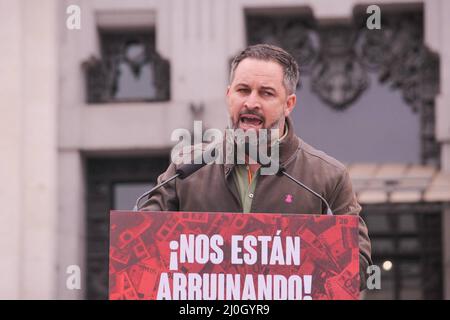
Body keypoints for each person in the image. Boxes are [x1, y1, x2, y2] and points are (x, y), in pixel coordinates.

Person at [141, 44, 372, 290]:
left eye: (266, 93)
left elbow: (359, 268)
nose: (251, 102)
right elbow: (141, 245)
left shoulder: (327, 177)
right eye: (243, 90)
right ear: (229, 95)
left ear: (289, 104)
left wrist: (287, 260)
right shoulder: (186, 168)